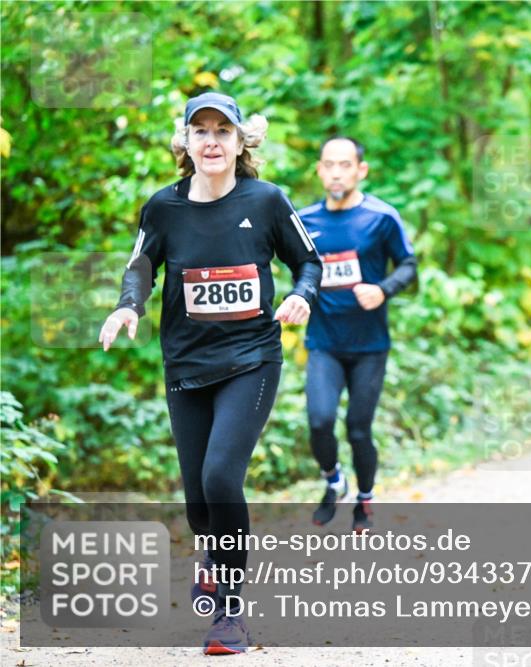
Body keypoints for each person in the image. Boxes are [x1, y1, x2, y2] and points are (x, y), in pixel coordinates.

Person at [99, 92, 321, 655]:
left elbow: (308, 261)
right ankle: (213, 555)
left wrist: (301, 295)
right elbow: (141, 265)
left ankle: (229, 616)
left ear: (242, 142)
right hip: (186, 365)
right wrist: (130, 305)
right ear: (186, 142)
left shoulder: (267, 200)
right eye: (202, 131)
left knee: (222, 478)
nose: (212, 141)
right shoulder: (163, 207)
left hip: (251, 361)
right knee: (200, 504)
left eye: (224, 131)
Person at [298, 137, 417, 532]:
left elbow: (408, 265)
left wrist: (383, 288)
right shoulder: (305, 221)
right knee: (319, 421)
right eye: (329, 164)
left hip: (369, 346)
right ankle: (334, 480)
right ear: (319, 169)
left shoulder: (381, 218)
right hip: (324, 343)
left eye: (344, 165)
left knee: (358, 429)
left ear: (360, 170)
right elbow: (295, 270)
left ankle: (365, 499)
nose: (336, 172)